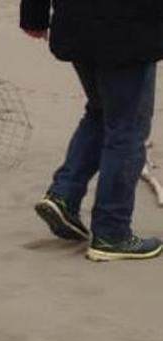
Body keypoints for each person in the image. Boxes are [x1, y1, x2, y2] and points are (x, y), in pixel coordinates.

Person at [21, 0, 163, 261]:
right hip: (128, 29)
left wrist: (34, 15)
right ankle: (112, 231)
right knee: (126, 128)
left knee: (101, 112)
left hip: (78, 24)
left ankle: (64, 195)